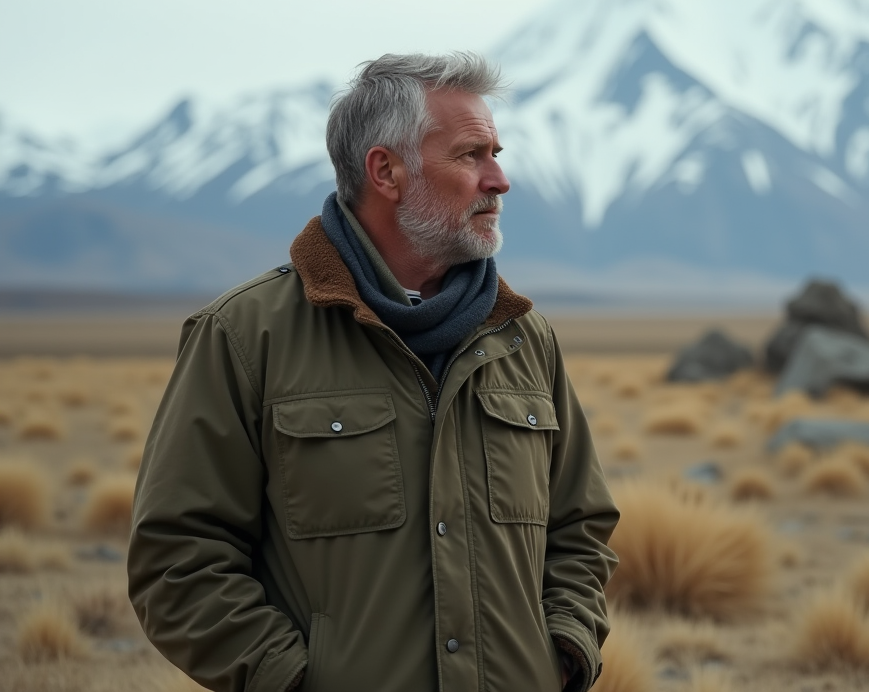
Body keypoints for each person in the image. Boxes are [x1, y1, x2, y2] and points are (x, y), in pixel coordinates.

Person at [127, 53, 619, 692]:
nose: (499, 179)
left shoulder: (523, 338)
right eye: (471, 155)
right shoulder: (247, 337)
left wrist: (563, 653)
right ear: (386, 171)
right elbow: (176, 559)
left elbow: (581, 528)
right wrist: (291, 679)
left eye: (497, 152)